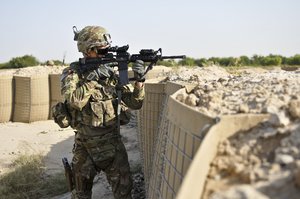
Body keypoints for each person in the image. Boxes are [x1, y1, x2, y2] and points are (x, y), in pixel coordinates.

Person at [56, 25, 145, 199]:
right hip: (85, 147)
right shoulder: (73, 73)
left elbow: (135, 103)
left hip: (113, 145)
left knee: (124, 194)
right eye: (102, 51)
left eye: (107, 50)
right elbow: (74, 101)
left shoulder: (110, 73)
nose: (107, 54)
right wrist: (92, 78)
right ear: (88, 50)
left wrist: (139, 82)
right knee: (80, 195)